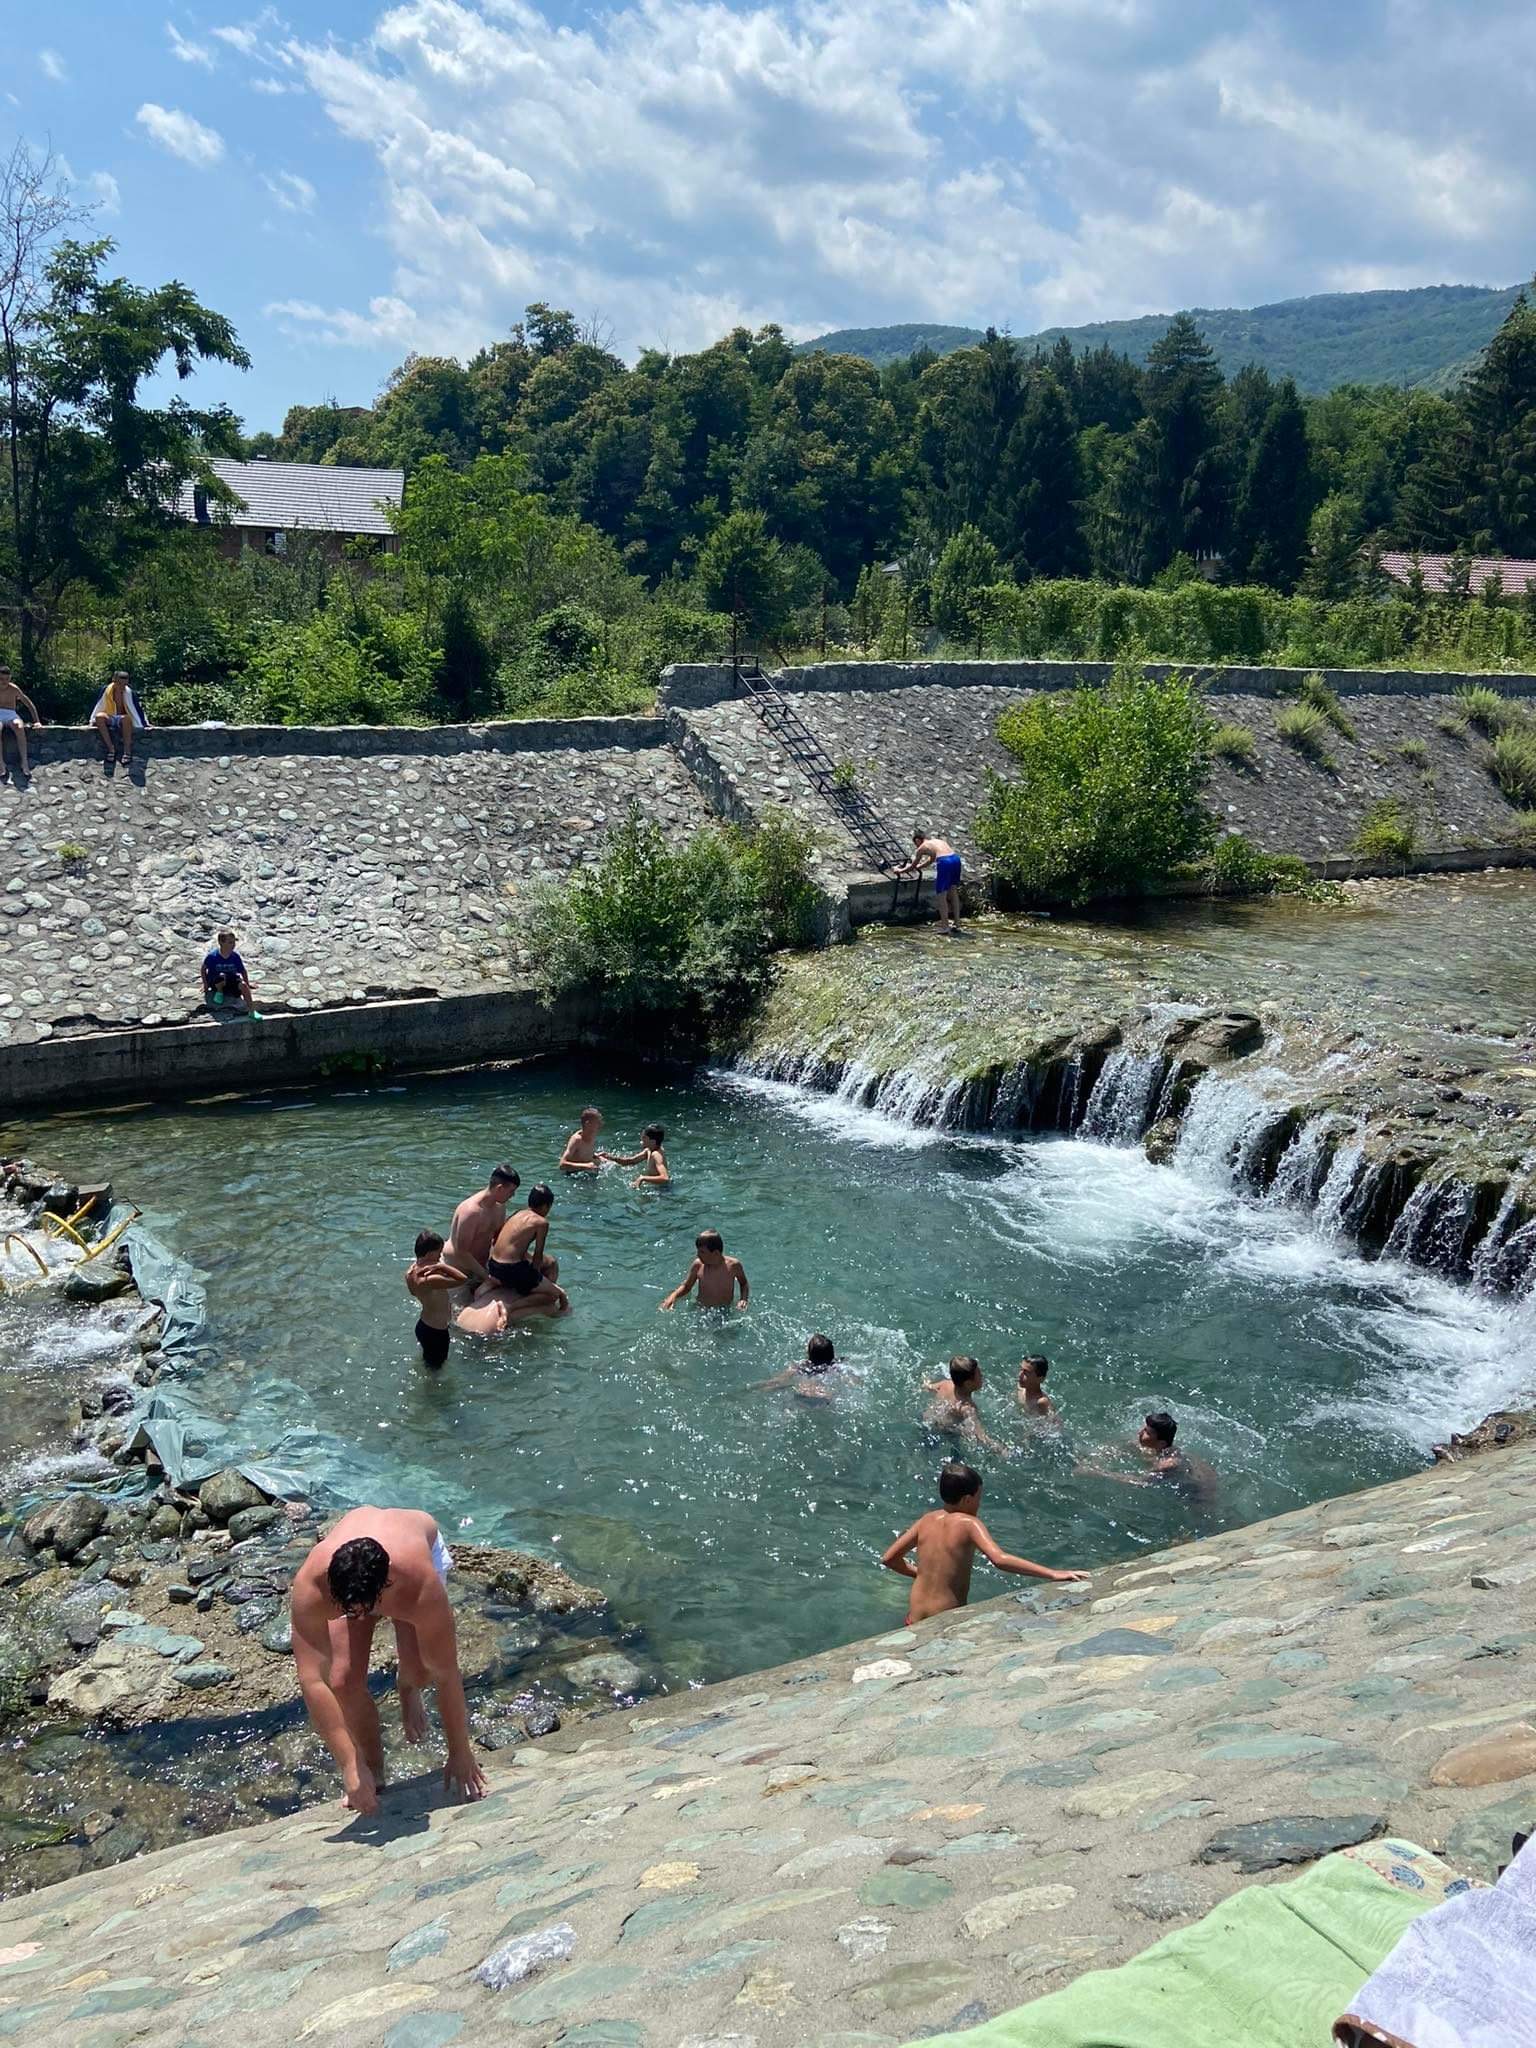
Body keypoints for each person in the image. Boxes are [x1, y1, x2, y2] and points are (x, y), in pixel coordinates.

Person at [289, 1505, 488, 1815]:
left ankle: (408, 1687)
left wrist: (460, 1751)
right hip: (354, 1572)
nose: (359, 1615)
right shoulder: (312, 1586)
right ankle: (372, 1770)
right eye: (348, 1609)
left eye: (365, 1608)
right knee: (342, 1681)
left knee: (423, 1670)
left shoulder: (418, 1582)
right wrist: (350, 1765)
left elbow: (447, 1672)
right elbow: (313, 1680)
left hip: (412, 1552)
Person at [882, 1461, 1089, 1623]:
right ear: (967, 1500)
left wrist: (921, 1574)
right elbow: (999, 1559)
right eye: (979, 1497)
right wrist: (1052, 1573)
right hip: (944, 1620)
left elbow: (889, 1558)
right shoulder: (969, 1523)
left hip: (914, 1619)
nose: (980, 1503)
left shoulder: (925, 1521)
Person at [1077, 1411, 1219, 1510]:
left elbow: (1140, 1482)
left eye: (1147, 1432)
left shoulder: (1167, 1464)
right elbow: (1119, 1446)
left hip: (1196, 1498)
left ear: (1162, 1443)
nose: (1140, 1433)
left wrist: (1098, 1472)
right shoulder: (1156, 1448)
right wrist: (1096, 1459)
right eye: (1144, 1429)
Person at [485, 1183, 569, 1314]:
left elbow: (497, 1240)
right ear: (546, 1206)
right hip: (511, 1270)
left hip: (494, 1265)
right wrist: (536, 1280)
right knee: (556, 1295)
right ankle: (510, 1307)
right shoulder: (541, 1222)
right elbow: (538, 1254)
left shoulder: (518, 1213)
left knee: (550, 1261)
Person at [445, 1166, 520, 1293]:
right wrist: (487, 1277)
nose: (513, 1195)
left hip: (480, 1268)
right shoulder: (471, 1212)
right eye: (511, 1191)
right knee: (460, 1311)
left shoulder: (500, 1207)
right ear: (500, 1188)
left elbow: (498, 1239)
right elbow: (461, 1252)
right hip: (457, 1270)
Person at [404, 1229, 465, 1369]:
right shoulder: (431, 1278)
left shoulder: (410, 1272)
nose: (440, 1255)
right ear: (430, 1252)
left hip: (424, 1325)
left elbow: (414, 1293)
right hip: (436, 1332)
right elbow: (462, 1279)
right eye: (439, 1251)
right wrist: (442, 1266)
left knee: (429, 1363)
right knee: (436, 1372)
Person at [922, 1356, 1006, 1451]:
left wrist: (925, 1379)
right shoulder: (967, 1407)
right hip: (944, 1433)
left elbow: (926, 1386)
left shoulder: (945, 1384)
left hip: (926, 1422)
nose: (982, 1376)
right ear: (968, 1384)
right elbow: (979, 1436)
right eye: (979, 1375)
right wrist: (1001, 1449)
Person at [896, 827, 964, 935]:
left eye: (915, 843)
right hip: (955, 859)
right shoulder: (936, 841)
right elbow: (931, 860)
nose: (916, 846)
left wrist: (899, 870)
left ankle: (945, 926)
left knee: (941, 894)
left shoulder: (921, 848)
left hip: (945, 862)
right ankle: (957, 923)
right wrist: (920, 866)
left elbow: (912, 867)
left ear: (918, 840)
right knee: (953, 891)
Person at [660, 1229, 749, 1310]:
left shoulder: (733, 1266)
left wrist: (743, 1299)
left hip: (724, 1310)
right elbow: (686, 1286)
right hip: (701, 1309)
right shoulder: (698, 1265)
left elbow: (744, 1283)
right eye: (698, 1251)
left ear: (716, 1253)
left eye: (702, 1252)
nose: (698, 1255)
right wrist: (672, 1297)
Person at [753, 1332, 852, 1401]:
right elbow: (852, 1382)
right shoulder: (837, 1365)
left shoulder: (800, 1365)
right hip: (825, 1396)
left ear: (809, 1353)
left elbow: (778, 1381)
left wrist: (759, 1388)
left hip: (803, 1394)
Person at [91, 671, 147, 765]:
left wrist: (145, 723)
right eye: (120, 683)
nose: (122, 686)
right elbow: (98, 705)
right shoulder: (106, 690)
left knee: (126, 719)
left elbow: (137, 709)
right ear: (114, 680)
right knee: (99, 717)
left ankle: (127, 752)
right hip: (110, 716)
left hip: (122, 718)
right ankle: (111, 749)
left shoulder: (129, 692)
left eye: (125, 684)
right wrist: (92, 720)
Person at [0, 668, 41, 781]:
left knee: (19, 726)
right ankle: (1, 763)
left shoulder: (14, 689)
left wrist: (36, 721)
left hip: (11, 713)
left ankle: (24, 762)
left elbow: (28, 703)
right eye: (1, 679)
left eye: (6, 679)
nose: (4, 682)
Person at [602, 1122, 671, 1188]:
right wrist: (611, 1157)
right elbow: (631, 1161)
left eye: (644, 1138)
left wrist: (643, 1178)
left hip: (662, 1191)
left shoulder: (657, 1155)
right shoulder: (649, 1150)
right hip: (655, 1187)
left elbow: (665, 1178)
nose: (641, 1140)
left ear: (653, 1141)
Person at [202, 927, 253, 1010]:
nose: (233, 944)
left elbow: (243, 971)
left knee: (242, 985)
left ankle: (251, 1009)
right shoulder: (212, 956)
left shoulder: (235, 957)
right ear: (221, 943)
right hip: (216, 982)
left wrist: (247, 984)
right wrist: (205, 984)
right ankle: (220, 992)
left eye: (234, 942)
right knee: (222, 976)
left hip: (230, 981)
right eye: (230, 942)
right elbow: (203, 969)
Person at [1015, 1354, 1059, 1424]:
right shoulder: (1020, 1388)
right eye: (1021, 1370)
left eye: (1026, 1373)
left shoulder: (1042, 1402)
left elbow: (1056, 1425)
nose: (1020, 1375)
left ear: (1040, 1379)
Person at [560, 1108, 605, 1173]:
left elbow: (584, 1153)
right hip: (574, 1176)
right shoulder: (576, 1140)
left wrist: (596, 1156)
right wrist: (585, 1166)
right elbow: (562, 1164)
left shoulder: (591, 1135)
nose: (600, 1125)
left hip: (588, 1172)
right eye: (597, 1123)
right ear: (588, 1124)